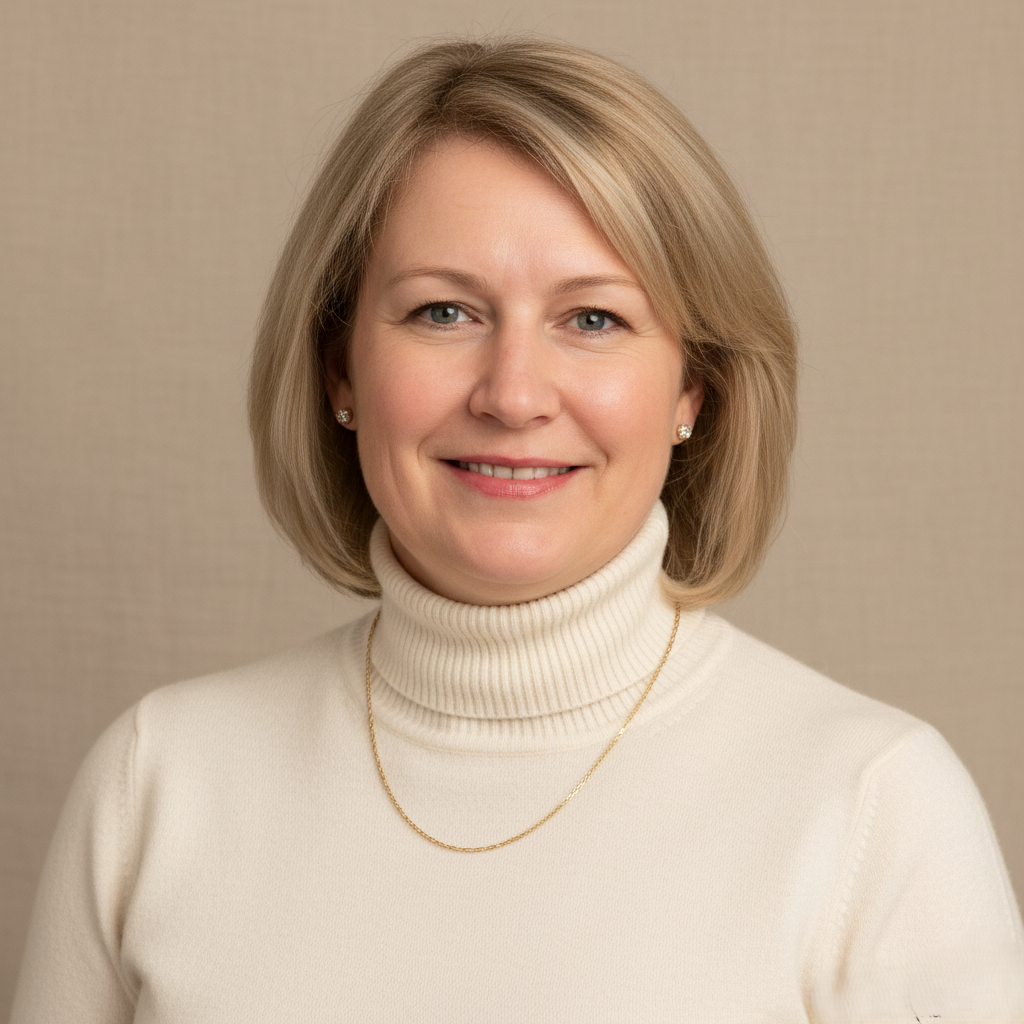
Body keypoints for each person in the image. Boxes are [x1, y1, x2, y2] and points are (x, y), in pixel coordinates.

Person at [10, 36, 1024, 1023]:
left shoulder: (870, 807)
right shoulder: (159, 781)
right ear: (338, 370)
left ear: (695, 387)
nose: (513, 393)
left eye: (593, 319)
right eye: (444, 312)